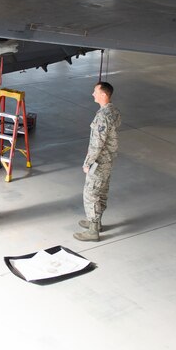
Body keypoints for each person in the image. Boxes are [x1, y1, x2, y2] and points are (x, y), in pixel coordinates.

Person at [75, 82, 121, 242]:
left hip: (99, 161)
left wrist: (87, 163)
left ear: (103, 95)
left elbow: (97, 143)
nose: (92, 94)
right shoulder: (113, 111)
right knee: (101, 192)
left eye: (95, 91)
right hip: (108, 159)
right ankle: (96, 221)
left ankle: (93, 230)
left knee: (91, 194)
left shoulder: (102, 116)